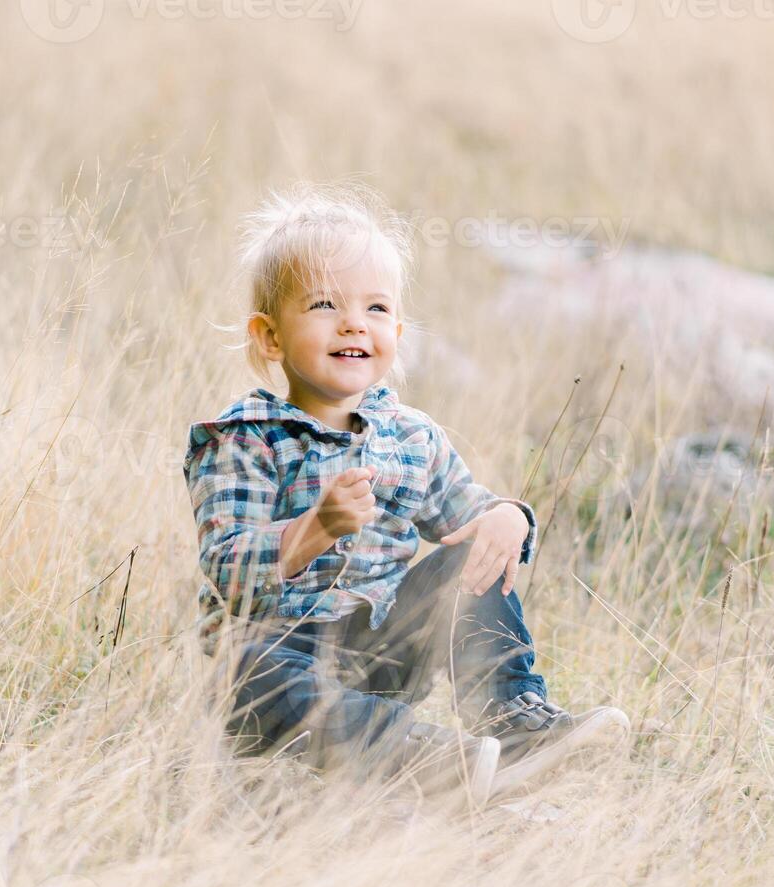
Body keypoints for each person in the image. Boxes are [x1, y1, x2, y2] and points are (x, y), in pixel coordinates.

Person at [183, 180, 627, 808]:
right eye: (324, 306)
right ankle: (427, 758)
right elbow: (227, 567)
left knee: (465, 567)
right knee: (245, 670)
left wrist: (506, 517)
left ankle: (513, 723)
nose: (353, 324)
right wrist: (313, 529)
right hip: (279, 666)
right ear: (271, 337)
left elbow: (465, 516)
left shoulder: (409, 437)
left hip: (376, 655)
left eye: (376, 309)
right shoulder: (242, 441)